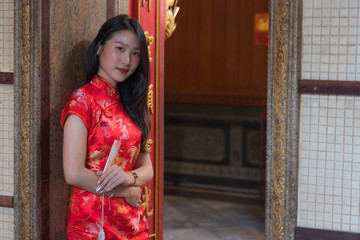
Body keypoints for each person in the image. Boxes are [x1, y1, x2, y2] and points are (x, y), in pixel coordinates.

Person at [61, 14, 153, 239]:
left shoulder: (130, 104)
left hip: (132, 223)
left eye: (135, 54)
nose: (127, 61)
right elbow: (73, 174)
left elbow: (147, 168)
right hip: (93, 224)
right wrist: (125, 191)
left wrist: (129, 178)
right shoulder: (83, 101)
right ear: (100, 48)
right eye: (120, 49)